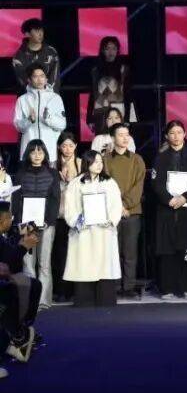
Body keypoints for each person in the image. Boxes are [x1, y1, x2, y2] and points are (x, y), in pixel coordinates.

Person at [151, 121, 187, 300]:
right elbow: (156, 183)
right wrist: (169, 199)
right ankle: (167, 288)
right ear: (167, 136)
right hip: (167, 209)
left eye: (179, 132)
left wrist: (185, 197)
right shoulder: (161, 158)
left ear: (185, 134)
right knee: (167, 249)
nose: (176, 136)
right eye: (172, 133)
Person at [62, 150, 123, 307]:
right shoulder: (76, 183)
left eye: (101, 162)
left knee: (104, 265)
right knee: (84, 263)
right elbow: (70, 208)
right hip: (84, 233)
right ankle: (85, 299)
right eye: (95, 162)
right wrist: (78, 221)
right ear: (87, 163)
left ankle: (105, 299)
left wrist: (110, 220)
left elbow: (116, 205)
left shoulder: (109, 182)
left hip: (104, 232)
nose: (99, 165)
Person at [10, 140, 62, 308]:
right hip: (26, 224)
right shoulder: (20, 174)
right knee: (27, 263)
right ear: (28, 154)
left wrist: (48, 221)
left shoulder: (53, 173)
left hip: (46, 224)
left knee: (44, 263)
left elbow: (55, 199)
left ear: (45, 154)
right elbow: (16, 199)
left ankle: (43, 301)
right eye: (33, 152)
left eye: (40, 152)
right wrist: (19, 222)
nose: (37, 155)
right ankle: (30, 300)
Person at [0, 202, 43, 370]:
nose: (12, 220)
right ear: (3, 221)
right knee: (13, 289)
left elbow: (10, 260)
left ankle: (22, 331)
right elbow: (10, 263)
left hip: (6, 277)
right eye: (10, 217)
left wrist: (23, 235)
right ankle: (17, 336)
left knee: (33, 285)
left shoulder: (6, 233)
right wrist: (24, 247)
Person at [104, 123, 145, 298]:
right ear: (113, 138)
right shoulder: (105, 159)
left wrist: (126, 205)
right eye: (121, 134)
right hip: (111, 212)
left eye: (127, 134)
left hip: (132, 212)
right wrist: (117, 207)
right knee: (112, 252)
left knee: (130, 252)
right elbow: (105, 185)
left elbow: (139, 185)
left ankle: (128, 287)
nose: (125, 138)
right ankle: (113, 287)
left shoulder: (137, 159)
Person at [13, 63, 67, 164]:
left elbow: (62, 125)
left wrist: (48, 118)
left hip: (49, 151)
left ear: (46, 79)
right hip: (29, 151)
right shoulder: (22, 100)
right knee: (27, 174)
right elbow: (18, 126)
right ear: (29, 80)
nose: (39, 79)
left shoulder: (55, 98)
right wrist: (29, 120)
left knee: (50, 173)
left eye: (42, 76)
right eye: (35, 76)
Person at [51, 132, 81, 304]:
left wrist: (71, 182)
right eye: (64, 146)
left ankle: (76, 290)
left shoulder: (81, 163)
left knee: (76, 253)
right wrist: (60, 181)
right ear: (59, 147)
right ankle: (61, 290)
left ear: (75, 146)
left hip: (77, 215)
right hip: (60, 215)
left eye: (71, 145)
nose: (68, 149)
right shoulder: (53, 165)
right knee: (60, 254)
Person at [86, 36, 134, 130]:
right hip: (101, 112)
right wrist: (89, 118)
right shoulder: (95, 70)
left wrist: (128, 118)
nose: (111, 52)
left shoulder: (123, 69)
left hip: (119, 112)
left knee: (118, 137)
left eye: (114, 48)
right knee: (102, 138)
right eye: (107, 48)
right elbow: (93, 94)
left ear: (117, 50)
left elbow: (128, 94)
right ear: (102, 51)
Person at [11, 17, 59, 88]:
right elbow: (22, 81)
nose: (40, 34)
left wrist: (48, 92)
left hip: (50, 93)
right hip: (29, 94)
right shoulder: (18, 57)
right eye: (36, 31)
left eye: (41, 30)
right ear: (27, 34)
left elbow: (55, 78)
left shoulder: (51, 52)